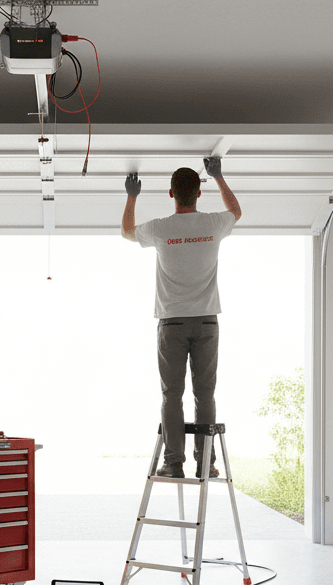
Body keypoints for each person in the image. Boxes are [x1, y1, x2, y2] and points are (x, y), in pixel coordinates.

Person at [121, 158, 242, 479]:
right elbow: (237, 212)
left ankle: (174, 464)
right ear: (199, 194)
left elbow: (128, 232)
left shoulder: (161, 228)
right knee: (205, 395)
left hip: (172, 322)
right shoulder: (213, 224)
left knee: (171, 395)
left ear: (171, 193)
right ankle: (205, 464)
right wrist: (219, 176)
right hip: (206, 322)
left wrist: (132, 196)